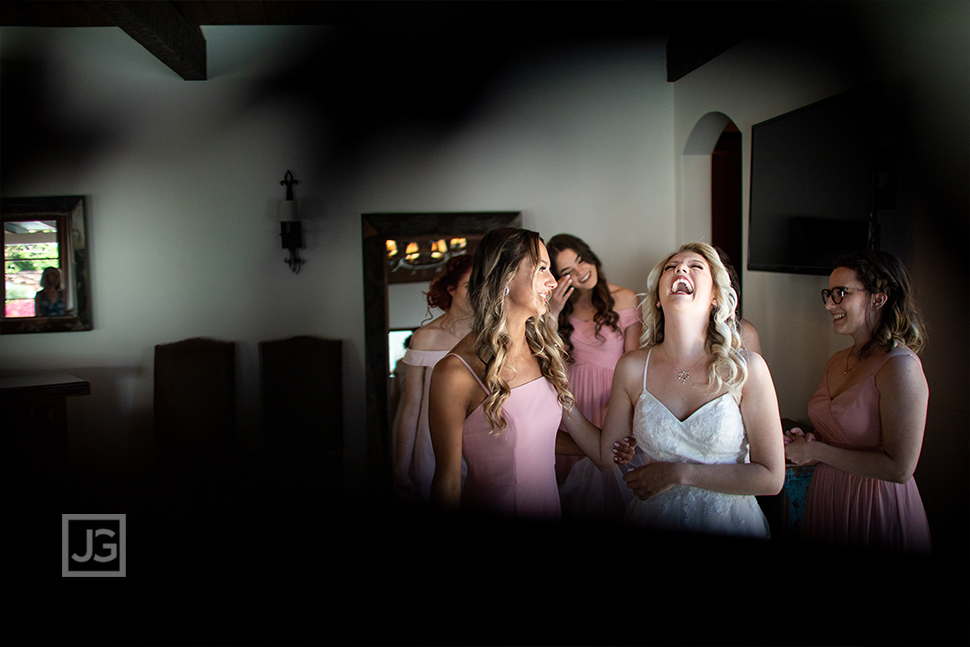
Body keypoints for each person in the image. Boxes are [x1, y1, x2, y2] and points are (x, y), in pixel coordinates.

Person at [564, 242, 785, 537]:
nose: (680, 269)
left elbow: (771, 478)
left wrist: (679, 474)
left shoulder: (748, 369)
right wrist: (559, 396)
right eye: (671, 267)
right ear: (657, 297)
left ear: (716, 297)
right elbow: (607, 459)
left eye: (696, 267)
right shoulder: (632, 368)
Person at [428, 227, 633, 521]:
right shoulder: (455, 372)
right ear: (505, 276)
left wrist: (604, 449)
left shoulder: (543, 350)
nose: (553, 281)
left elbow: (533, 435)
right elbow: (446, 483)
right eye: (542, 269)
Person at [784, 250, 932, 553]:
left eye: (841, 293)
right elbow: (834, 438)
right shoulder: (837, 361)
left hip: (873, 505)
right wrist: (809, 443)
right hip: (827, 497)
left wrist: (817, 450)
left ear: (879, 297)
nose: (829, 304)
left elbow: (900, 468)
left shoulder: (900, 366)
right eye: (828, 294)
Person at [545, 233, 641, 523]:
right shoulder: (557, 308)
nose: (580, 272)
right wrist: (553, 312)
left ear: (590, 256)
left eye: (581, 260)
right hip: (570, 404)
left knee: (612, 491)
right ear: (558, 278)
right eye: (567, 271)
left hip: (612, 402)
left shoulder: (624, 297)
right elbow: (547, 357)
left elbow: (635, 362)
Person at [393, 254, 474, 503]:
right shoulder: (424, 338)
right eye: (471, 286)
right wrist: (400, 466)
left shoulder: (490, 335)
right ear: (451, 288)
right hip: (431, 440)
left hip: (479, 436)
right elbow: (411, 406)